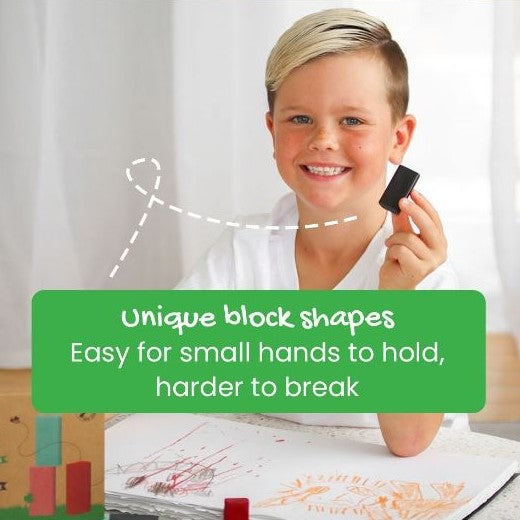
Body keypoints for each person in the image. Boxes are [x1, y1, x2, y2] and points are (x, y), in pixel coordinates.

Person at [176, 8, 468, 456]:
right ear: (272, 130)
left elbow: (408, 442)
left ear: (399, 137)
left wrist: (397, 305)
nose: (323, 140)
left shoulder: (426, 282)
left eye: (352, 121)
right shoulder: (242, 253)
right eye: (299, 119)